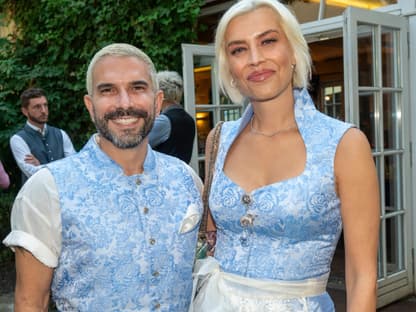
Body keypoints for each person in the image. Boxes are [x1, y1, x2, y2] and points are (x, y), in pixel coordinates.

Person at [191, 0, 380, 311]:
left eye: (268, 41)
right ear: (229, 67)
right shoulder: (219, 139)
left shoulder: (344, 145)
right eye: (238, 49)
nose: (255, 59)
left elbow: (362, 277)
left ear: (293, 50)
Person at [3, 43, 203, 311]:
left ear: (157, 102)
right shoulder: (47, 190)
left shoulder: (187, 179)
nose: (124, 103)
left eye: (137, 88)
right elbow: (30, 302)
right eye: (108, 90)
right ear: (90, 105)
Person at [10, 87, 76, 185]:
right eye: (37, 107)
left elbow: (74, 166)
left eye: (45, 105)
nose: (44, 111)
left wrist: (41, 166)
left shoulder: (61, 134)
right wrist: (62, 167)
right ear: (25, 111)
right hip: (35, 196)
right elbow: (33, 174)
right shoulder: (18, 139)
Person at [148, 71, 196, 163]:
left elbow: (137, 146)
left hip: (163, 175)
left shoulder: (164, 121)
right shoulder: (189, 119)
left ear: (160, 95)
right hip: (182, 173)